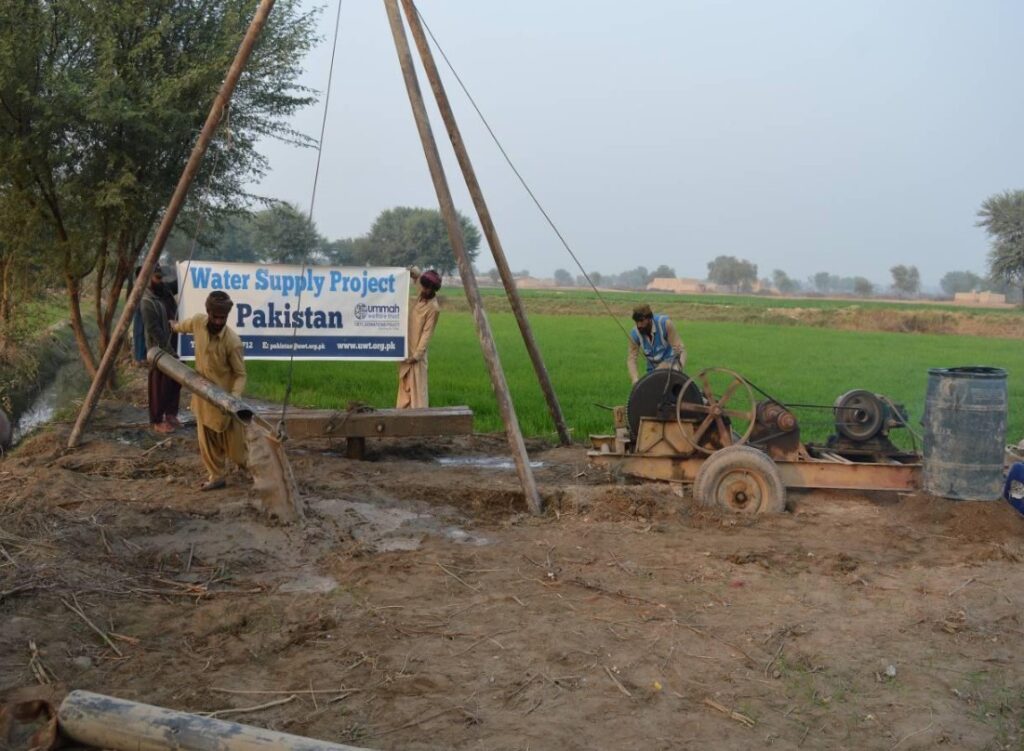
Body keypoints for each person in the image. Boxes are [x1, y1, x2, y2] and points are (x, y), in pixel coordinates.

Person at [171, 291, 248, 491]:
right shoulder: (198, 322)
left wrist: (234, 398)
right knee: (207, 443)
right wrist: (173, 326)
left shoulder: (233, 342)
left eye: (223, 318)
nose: (218, 321)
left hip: (225, 404)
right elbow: (182, 326)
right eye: (215, 317)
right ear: (208, 312)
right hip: (202, 398)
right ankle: (217, 477)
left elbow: (240, 375)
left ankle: (252, 469)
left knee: (239, 453)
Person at [141, 264, 181, 433]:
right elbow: (154, 329)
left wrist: (189, 270)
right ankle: (157, 420)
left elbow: (177, 285)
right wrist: (169, 350)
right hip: (159, 349)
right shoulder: (147, 301)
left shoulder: (164, 290)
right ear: (148, 279)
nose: (161, 280)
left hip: (175, 343)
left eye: (161, 277)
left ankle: (171, 414)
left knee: (175, 381)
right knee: (159, 385)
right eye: (157, 278)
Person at [396, 268, 442, 409]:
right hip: (405, 351)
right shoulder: (419, 295)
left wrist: (416, 356)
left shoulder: (433, 308)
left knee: (417, 395)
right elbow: (416, 273)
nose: (425, 290)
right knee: (404, 390)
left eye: (428, 288)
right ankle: (401, 422)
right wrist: (410, 270)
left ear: (433, 289)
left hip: (417, 357)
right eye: (423, 286)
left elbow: (427, 334)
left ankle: (420, 424)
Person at [626, 303, 687, 384]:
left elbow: (681, 350)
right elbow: (631, 358)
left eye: (641, 321)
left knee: (663, 368)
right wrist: (635, 379)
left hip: (670, 366)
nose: (638, 325)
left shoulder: (665, 324)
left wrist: (678, 368)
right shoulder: (635, 334)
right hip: (652, 371)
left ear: (649, 318)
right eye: (636, 321)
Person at [130, 266, 147, 366]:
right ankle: (140, 358)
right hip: (140, 308)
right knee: (140, 332)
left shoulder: (140, 284)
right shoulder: (139, 285)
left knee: (141, 332)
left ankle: (140, 357)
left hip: (141, 308)